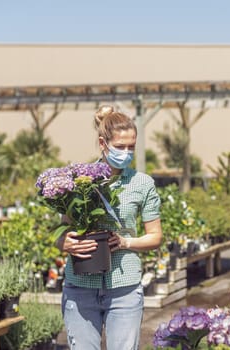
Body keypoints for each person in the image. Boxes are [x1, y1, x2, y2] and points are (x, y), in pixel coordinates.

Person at [56, 105, 163, 350]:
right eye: (120, 146)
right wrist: (64, 242)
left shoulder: (142, 183)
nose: (126, 153)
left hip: (124, 289)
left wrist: (126, 242)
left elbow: (155, 236)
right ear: (103, 143)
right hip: (80, 286)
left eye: (131, 146)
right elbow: (61, 230)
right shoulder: (78, 181)